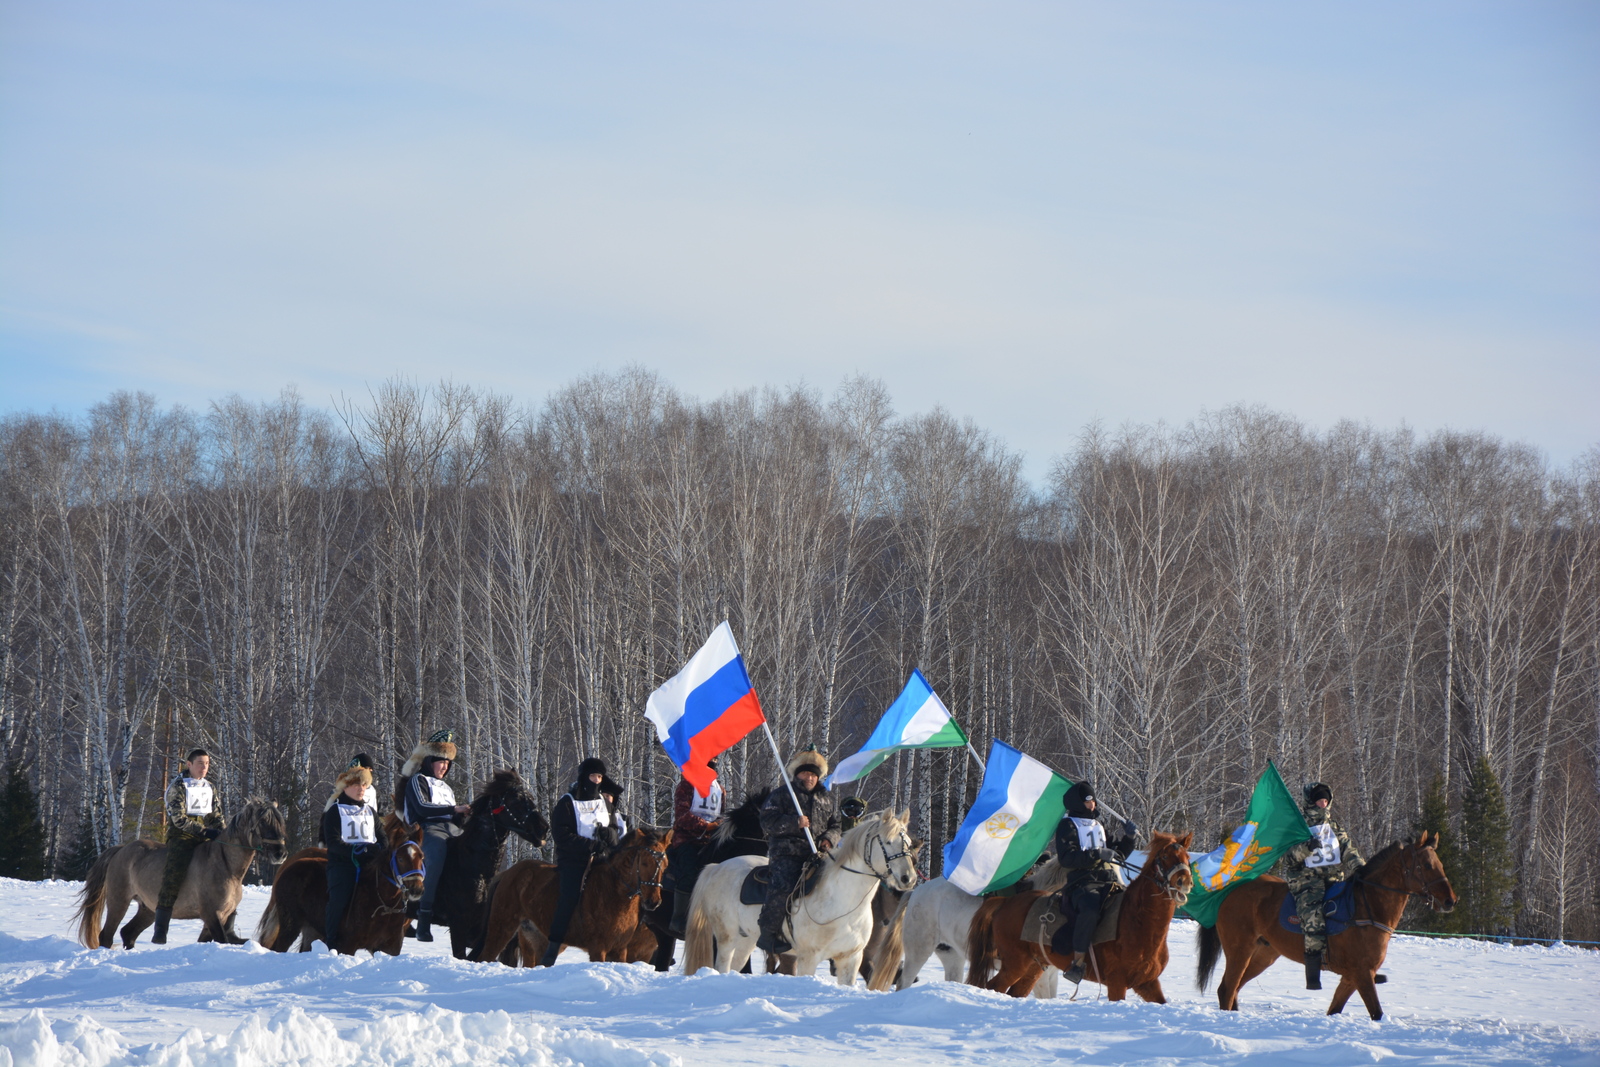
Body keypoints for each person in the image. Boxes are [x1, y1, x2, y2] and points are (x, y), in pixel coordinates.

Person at [756, 747, 841, 955]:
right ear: (797, 774)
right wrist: (795, 823)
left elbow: (837, 825)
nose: (810, 777)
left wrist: (829, 840)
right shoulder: (782, 795)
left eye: (813, 774)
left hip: (818, 855)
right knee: (783, 886)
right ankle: (768, 933)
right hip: (787, 853)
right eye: (805, 773)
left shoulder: (826, 799)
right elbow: (767, 822)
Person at [539, 756, 624, 966]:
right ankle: (554, 944)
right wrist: (590, 845)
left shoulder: (605, 802)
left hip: (602, 860)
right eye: (594, 776)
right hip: (574, 860)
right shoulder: (567, 802)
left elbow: (615, 828)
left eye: (600, 776)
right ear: (585, 777)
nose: (597, 781)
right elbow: (562, 835)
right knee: (569, 897)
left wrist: (608, 836)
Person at [1052, 780, 1136, 984]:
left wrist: (1129, 838)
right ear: (1078, 802)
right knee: (1090, 909)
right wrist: (1097, 854)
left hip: (1108, 879)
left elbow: (1118, 855)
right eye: (1089, 801)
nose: (1094, 805)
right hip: (1082, 882)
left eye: (1094, 800)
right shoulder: (1067, 825)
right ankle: (1078, 962)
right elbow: (1067, 858)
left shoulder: (1098, 825)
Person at [1284, 782, 1364, 990]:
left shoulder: (1334, 827)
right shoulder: (1298, 827)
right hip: (1306, 881)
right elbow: (1288, 858)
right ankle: (1313, 971)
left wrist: (1361, 868)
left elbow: (1348, 850)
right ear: (1311, 801)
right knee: (1313, 919)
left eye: (1326, 800)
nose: (1323, 803)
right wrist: (1306, 848)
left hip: (1334, 878)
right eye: (1319, 799)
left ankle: (1362, 964)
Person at [399, 729, 471, 942]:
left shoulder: (446, 788)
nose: (445, 766)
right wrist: (454, 810)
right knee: (437, 857)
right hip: (426, 829)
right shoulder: (417, 780)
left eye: (448, 763)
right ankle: (423, 917)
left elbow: (455, 817)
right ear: (430, 761)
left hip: (451, 829)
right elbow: (422, 808)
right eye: (441, 762)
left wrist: (466, 816)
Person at [153, 748, 225, 944]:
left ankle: (228, 923)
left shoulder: (209, 787)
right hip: (182, 836)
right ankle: (160, 929)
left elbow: (215, 815)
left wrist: (222, 833)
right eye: (200, 764)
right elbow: (179, 820)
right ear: (189, 765)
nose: (204, 768)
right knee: (174, 872)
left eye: (207, 764)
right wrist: (204, 831)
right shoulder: (178, 786)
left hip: (204, 835)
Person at [321, 754, 378, 951]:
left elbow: (383, 838)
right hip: (343, 864)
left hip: (369, 863)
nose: (361, 789)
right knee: (338, 899)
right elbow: (334, 843)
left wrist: (376, 850)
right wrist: (355, 850)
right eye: (356, 785)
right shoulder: (335, 812)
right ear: (345, 787)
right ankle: (331, 939)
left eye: (364, 785)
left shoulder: (370, 811)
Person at [666, 758, 724, 937]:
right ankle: (680, 919)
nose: (712, 763)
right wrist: (705, 826)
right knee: (690, 872)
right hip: (687, 839)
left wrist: (720, 825)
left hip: (711, 840)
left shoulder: (720, 789)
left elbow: (721, 814)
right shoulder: (686, 785)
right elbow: (682, 815)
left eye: (714, 759)